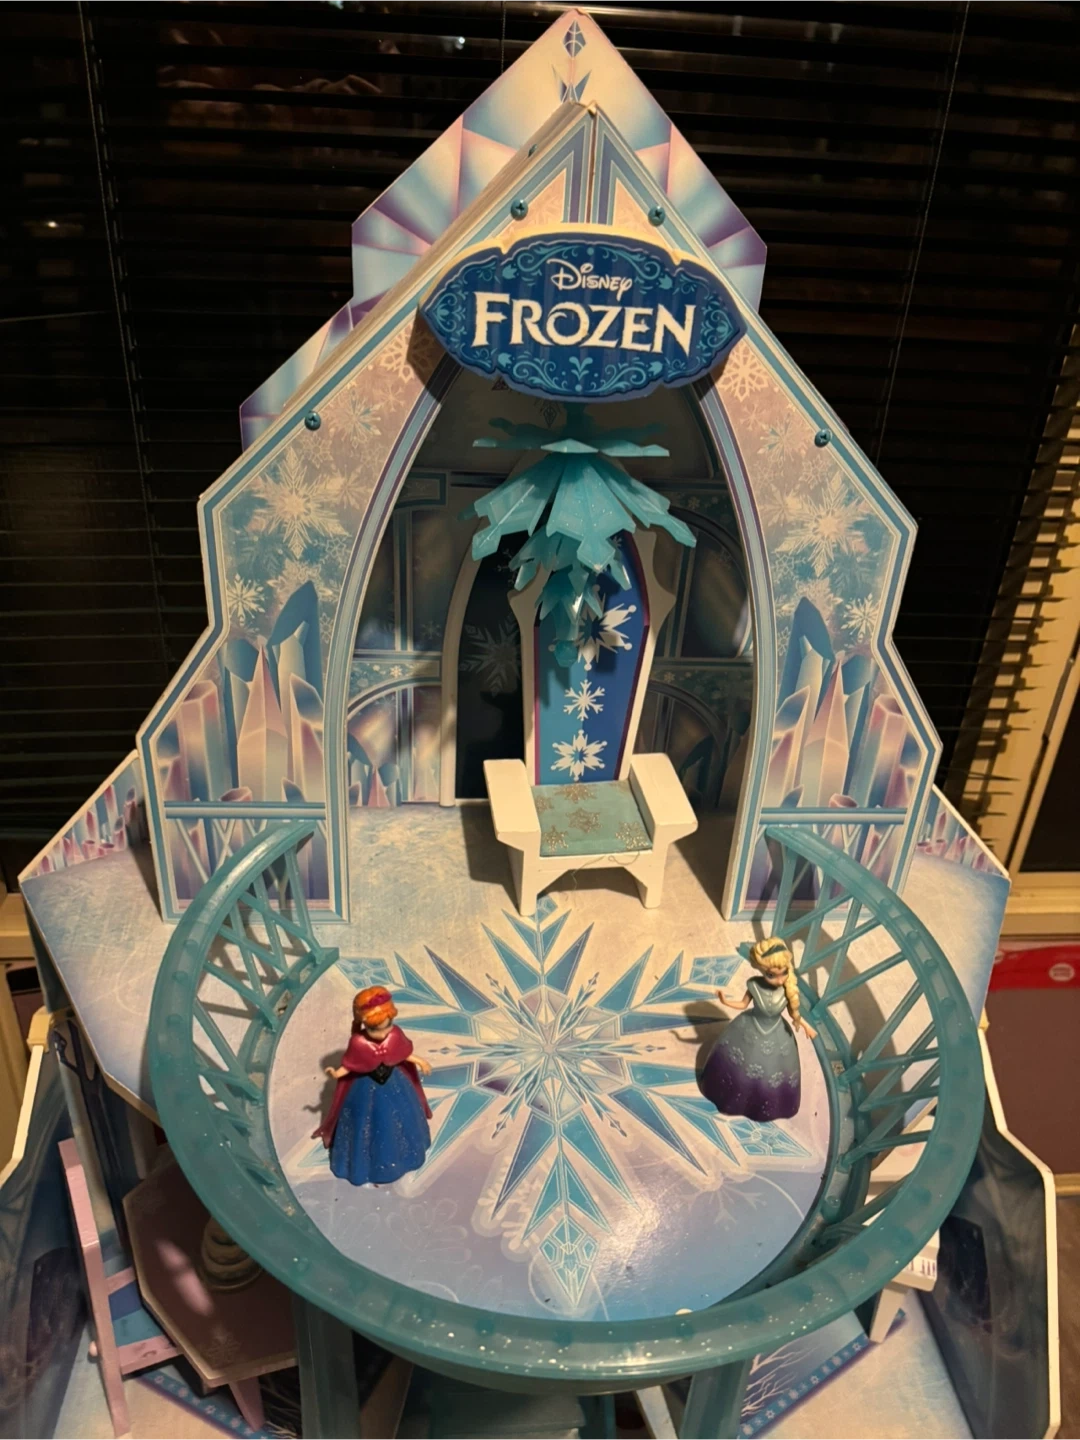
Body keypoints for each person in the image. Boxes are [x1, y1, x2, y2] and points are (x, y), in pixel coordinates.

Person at [313, 985, 433, 1186]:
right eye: (375, 1029)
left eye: (387, 1026)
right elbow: (350, 1065)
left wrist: (421, 1061)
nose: (383, 1033)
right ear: (364, 1024)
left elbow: (402, 1053)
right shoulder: (358, 1043)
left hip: (395, 1085)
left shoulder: (395, 1035)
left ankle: (408, 1154)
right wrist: (337, 1073)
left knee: (403, 1119)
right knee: (364, 1125)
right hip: (365, 1090)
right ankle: (363, 1163)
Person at [699, 937, 817, 1121]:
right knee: (738, 1065)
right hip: (748, 1029)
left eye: (783, 973)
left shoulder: (787, 991)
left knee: (773, 1070)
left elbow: (794, 1014)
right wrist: (725, 1001)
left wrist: (806, 1026)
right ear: (761, 970)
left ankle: (766, 1106)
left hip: (777, 1034)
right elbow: (743, 1004)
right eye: (771, 975)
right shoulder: (754, 985)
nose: (779, 980)